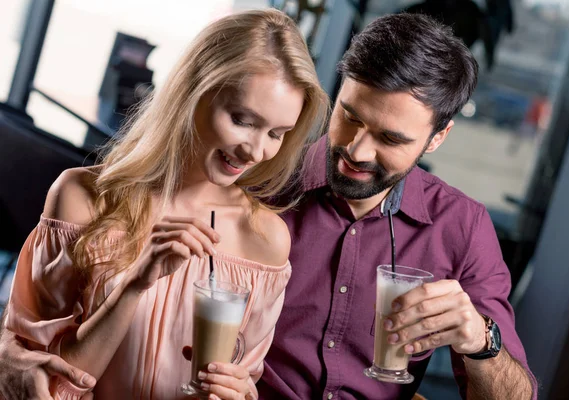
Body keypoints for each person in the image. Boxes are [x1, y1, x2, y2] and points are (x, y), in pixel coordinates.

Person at [0, 8, 328, 400]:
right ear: (193, 92)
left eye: (277, 133)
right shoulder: (81, 199)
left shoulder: (265, 239)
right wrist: (135, 283)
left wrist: (241, 393)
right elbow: (41, 383)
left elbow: (244, 377)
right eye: (242, 120)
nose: (256, 151)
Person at [255, 13, 537, 399]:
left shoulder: (462, 227)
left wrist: (478, 339)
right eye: (350, 117)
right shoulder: (263, 182)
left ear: (437, 138)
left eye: (390, 138)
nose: (356, 150)